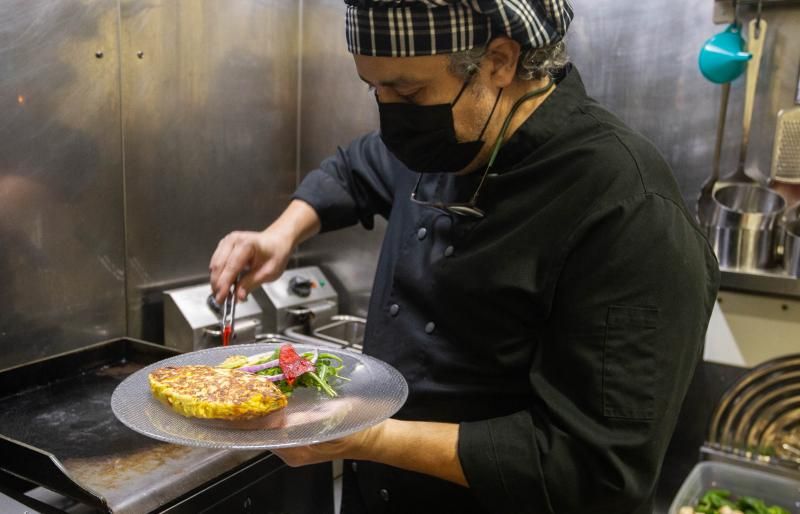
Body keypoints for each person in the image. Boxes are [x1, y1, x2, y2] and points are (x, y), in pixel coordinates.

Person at [209, 1, 720, 512]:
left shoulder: (630, 212)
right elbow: (356, 168)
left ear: (499, 60)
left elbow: (595, 471)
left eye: (407, 91)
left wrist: (370, 437)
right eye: (374, 89)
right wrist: (280, 235)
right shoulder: (446, 136)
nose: (391, 113)